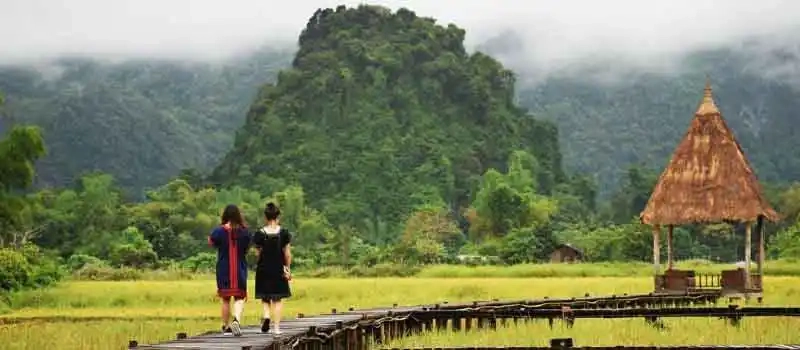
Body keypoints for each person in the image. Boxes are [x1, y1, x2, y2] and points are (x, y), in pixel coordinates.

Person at [208, 204, 251, 337]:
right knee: (240, 297)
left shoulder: (219, 231)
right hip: (240, 268)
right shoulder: (245, 232)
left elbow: (211, 242)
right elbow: (247, 248)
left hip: (223, 268)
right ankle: (236, 320)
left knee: (226, 299)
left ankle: (226, 326)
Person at [253, 202, 292, 334]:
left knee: (265, 297)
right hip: (278, 269)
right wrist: (287, 268)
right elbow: (287, 254)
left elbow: (257, 254)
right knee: (277, 299)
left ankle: (266, 316)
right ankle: (276, 328)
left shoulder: (259, 234)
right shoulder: (284, 233)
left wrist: (259, 262)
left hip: (263, 268)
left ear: (265, 217)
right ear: (278, 217)